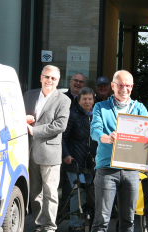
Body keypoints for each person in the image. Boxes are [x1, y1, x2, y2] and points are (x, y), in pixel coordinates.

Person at [90, 70, 148, 232]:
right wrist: (105, 138)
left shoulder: (140, 108)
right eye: (121, 85)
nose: (124, 89)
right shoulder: (100, 107)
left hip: (131, 170)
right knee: (101, 221)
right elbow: (94, 130)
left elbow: (146, 134)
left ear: (132, 87)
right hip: (107, 169)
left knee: (128, 221)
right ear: (113, 86)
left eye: (128, 85)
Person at [24, 65, 71, 232]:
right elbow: (17, 116)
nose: (49, 80)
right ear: (40, 77)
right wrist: (23, 119)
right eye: (47, 77)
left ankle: (50, 227)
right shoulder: (28, 95)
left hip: (50, 153)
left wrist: (34, 130)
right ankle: (38, 225)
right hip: (29, 152)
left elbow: (60, 125)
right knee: (35, 194)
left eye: (53, 78)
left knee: (50, 194)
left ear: (58, 81)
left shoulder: (64, 100)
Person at [62, 87, 98, 232]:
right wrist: (66, 155)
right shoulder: (72, 115)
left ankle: (88, 222)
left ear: (94, 100)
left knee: (90, 193)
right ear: (79, 100)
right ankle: (75, 225)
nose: (87, 101)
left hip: (92, 163)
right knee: (79, 192)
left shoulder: (96, 115)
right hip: (75, 161)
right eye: (84, 99)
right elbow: (63, 137)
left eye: (90, 99)